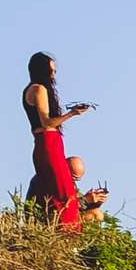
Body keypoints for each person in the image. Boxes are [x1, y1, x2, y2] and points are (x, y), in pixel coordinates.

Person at [23, 52, 109, 230]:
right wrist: (72, 114)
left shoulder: (31, 89)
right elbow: (46, 122)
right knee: (64, 193)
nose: (53, 75)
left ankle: (63, 231)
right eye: (51, 71)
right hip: (48, 142)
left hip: (48, 142)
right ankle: (69, 233)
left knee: (60, 192)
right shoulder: (39, 89)